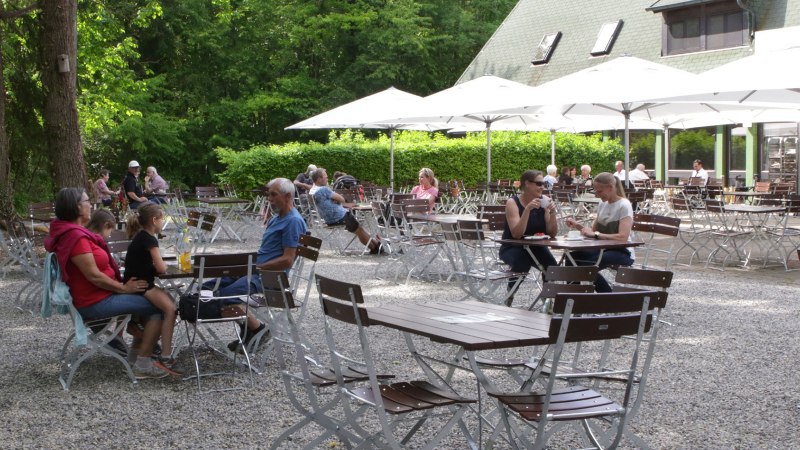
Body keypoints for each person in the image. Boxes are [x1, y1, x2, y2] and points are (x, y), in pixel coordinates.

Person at [44, 188, 174, 379]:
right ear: (77, 207)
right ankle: (143, 364)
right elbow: (94, 276)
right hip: (95, 302)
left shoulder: (73, 234)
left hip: (97, 296)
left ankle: (134, 355)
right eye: (88, 201)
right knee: (160, 308)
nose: (91, 204)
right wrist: (123, 288)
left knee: (149, 298)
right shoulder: (76, 238)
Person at [204, 178, 307, 352]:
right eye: (268, 195)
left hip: (271, 278)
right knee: (207, 287)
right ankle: (250, 330)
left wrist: (257, 267)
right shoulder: (276, 219)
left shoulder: (293, 222)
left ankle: (257, 329)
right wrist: (241, 264)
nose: (269, 199)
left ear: (288, 196)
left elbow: (287, 260)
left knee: (225, 296)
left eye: (273, 195)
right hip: (256, 271)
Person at [123, 202, 181, 373]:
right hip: (142, 285)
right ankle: (166, 353)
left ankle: (143, 351)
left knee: (167, 304)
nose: (162, 222)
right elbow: (162, 268)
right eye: (162, 219)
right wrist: (161, 266)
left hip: (136, 280)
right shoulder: (149, 239)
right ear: (155, 220)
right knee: (170, 308)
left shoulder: (139, 236)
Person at [565, 172, 634, 292]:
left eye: (599, 191)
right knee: (571, 257)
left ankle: (607, 297)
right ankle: (572, 297)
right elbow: (594, 232)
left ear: (611, 188)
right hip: (603, 248)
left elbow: (623, 237)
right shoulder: (603, 203)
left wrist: (595, 235)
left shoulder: (624, 205)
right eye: (595, 191)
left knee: (588, 266)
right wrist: (577, 226)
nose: (596, 194)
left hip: (623, 251)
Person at [499, 170, 558, 305]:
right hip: (512, 246)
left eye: (543, 184)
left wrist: (553, 213)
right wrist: (527, 210)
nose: (542, 187)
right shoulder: (513, 203)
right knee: (522, 262)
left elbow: (552, 233)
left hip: (536, 247)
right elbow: (516, 234)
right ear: (527, 184)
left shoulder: (544, 202)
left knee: (552, 268)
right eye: (538, 183)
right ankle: (510, 294)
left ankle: (547, 301)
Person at [312, 168, 383, 254]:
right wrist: (338, 199)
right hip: (339, 217)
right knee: (359, 230)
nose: (327, 178)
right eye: (325, 176)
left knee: (358, 228)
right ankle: (375, 248)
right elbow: (341, 199)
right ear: (319, 179)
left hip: (330, 219)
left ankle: (376, 244)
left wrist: (336, 200)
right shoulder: (323, 189)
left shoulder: (313, 190)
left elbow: (334, 202)